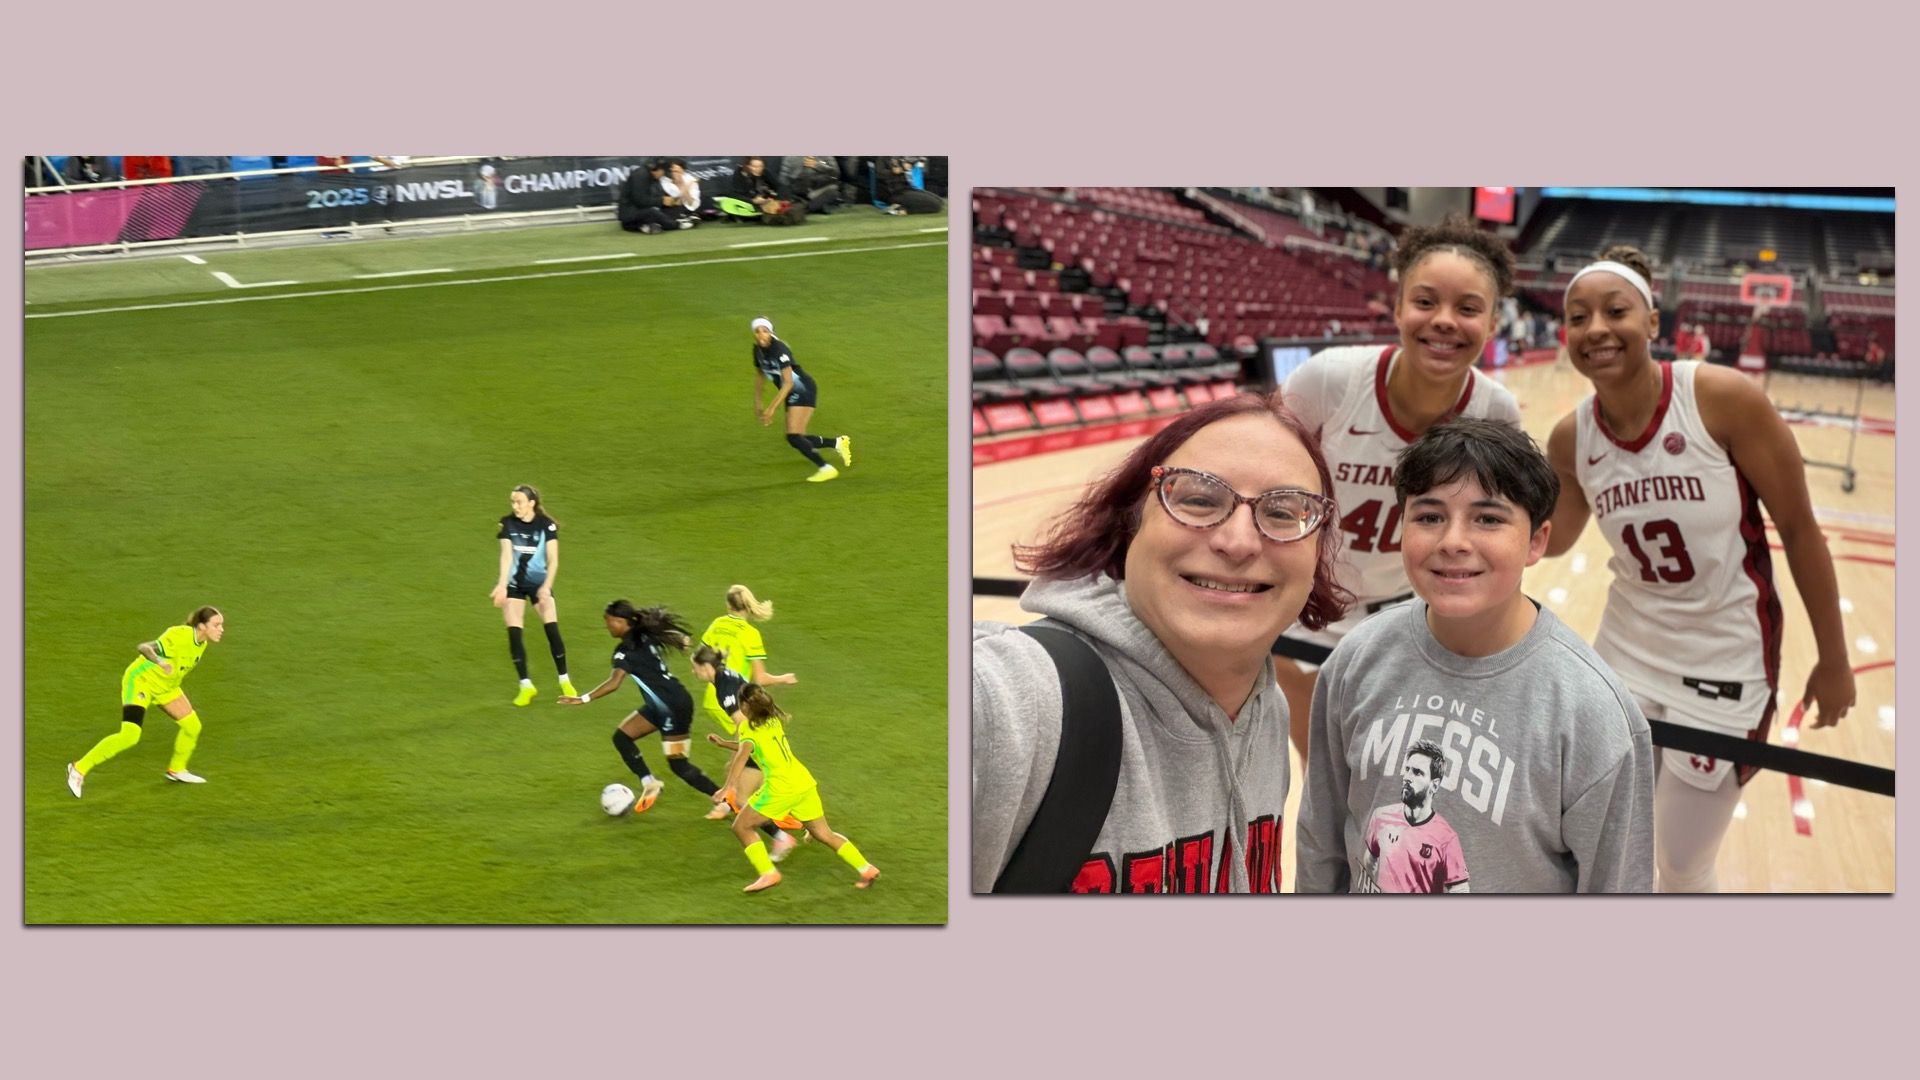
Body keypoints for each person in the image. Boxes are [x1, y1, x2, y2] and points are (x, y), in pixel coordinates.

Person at [1546, 246, 1854, 892]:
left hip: (1724, 662)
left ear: (1653, 321)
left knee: (1683, 864)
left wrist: (1834, 659)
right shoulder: (1571, 439)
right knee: (1603, 837)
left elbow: (1799, 530)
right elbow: (1549, 541)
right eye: (1578, 317)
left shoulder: (1720, 399)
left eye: (1615, 310)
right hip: (1624, 652)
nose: (1596, 328)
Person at [973, 393, 1351, 893]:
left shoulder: (1265, 709)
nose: (1238, 542)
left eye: (1285, 512)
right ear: (1129, 524)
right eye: (1197, 499)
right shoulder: (1019, 701)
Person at [1296, 418, 1655, 892]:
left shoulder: (1594, 714)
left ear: (1536, 542)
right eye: (1429, 516)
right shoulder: (1356, 659)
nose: (1453, 542)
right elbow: (1321, 839)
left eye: (1488, 518)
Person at [1272, 214, 1524, 757]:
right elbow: (1259, 479)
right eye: (1426, 301)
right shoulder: (1329, 380)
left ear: (1494, 322)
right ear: (1397, 307)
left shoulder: (1495, 411)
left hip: (1408, 619)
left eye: (1468, 307)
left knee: (1392, 777)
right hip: (1306, 613)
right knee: (1324, 771)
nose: (1444, 321)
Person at [558, 601, 728, 815]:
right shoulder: (644, 635)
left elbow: (614, 682)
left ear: (622, 622)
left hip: (671, 707)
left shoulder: (625, 650)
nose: (607, 627)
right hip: (662, 704)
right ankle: (650, 782)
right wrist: (680, 639)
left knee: (679, 765)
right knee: (621, 737)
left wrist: (583, 699)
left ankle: (723, 801)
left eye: (610, 622)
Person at [710, 684, 879, 892]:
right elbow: (752, 745)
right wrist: (724, 743)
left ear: (745, 705)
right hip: (803, 782)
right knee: (824, 833)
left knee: (741, 827)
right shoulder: (772, 720)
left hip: (781, 788)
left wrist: (727, 788)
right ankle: (866, 868)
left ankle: (768, 873)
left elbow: (741, 757)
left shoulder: (747, 729)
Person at [68, 606, 228, 796]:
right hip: (140, 682)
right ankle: (78, 768)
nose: (221, 629)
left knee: (192, 726)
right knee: (130, 735)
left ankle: (176, 770)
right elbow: (144, 647)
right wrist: (160, 662)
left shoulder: (202, 643)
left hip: (166, 688)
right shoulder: (179, 635)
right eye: (216, 625)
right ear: (201, 626)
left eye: (221, 625)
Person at [491, 485, 576, 706]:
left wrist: (547, 587)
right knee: (514, 632)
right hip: (514, 585)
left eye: (519, 502)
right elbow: (506, 556)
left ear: (532, 503)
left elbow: (553, 559)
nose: (515, 506)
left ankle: (564, 680)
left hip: (539, 583)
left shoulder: (545, 525)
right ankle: (526, 685)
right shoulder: (507, 523)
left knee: (552, 629)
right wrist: (501, 585)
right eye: (512, 502)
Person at [751, 316, 852, 483]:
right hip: (790, 391)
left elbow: (789, 382)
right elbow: (760, 375)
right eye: (757, 331)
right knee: (796, 437)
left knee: (794, 436)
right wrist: (758, 401)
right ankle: (837, 443)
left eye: (765, 331)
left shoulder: (779, 349)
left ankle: (826, 468)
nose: (761, 334)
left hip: (802, 388)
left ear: (771, 332)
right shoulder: (757, 350)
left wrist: (771, 408)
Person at [1359, 741, 1469, 893]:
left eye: (1417, 772)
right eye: (1407, 769)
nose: (1407, 777)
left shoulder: (1447, 838)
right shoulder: (1381, 817)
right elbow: (1369, 863)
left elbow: (1460, 890)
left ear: (1434, 785)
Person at [616, 159, 676, 234]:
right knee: (653, 213)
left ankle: (645, 226)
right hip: (630, 214)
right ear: (659, 170)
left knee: (663, 211)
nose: (662, 176)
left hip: (637, 212)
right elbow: (640, 200)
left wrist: (664, 200)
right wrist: (661, 200)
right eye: (663, 173)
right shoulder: (641, 176)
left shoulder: (648, 176)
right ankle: (678, 224)